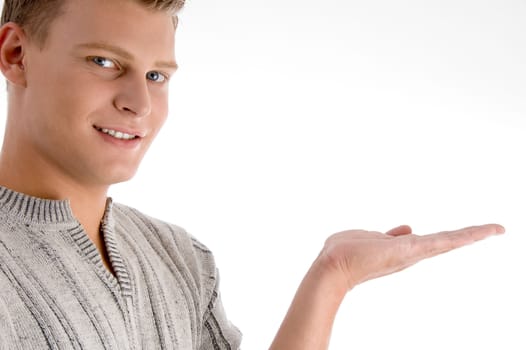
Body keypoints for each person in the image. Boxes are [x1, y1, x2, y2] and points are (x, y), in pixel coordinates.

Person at [0, 0, 504, 349]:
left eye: (157, 75)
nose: (139, 104)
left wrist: (332, 277)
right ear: (15, 55)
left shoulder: (181, 257)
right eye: (104, 61)